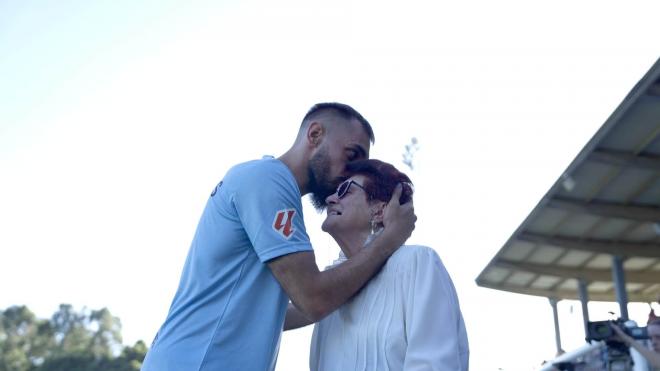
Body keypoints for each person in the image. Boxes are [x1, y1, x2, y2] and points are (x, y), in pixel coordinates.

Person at [141, 103, 416, 371]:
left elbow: (270, 314)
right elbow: (314, 299)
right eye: (351, 154)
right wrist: (389, 238)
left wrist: (355, 285)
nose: (351, 171)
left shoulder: (265, 185)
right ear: (315, 134)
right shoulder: (269, 180)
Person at [301, 159, 469, 370]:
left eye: (345, 190)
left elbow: (434, 364)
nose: (330, 199)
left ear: (380, 210)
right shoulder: (329, 294)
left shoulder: (417, 263)